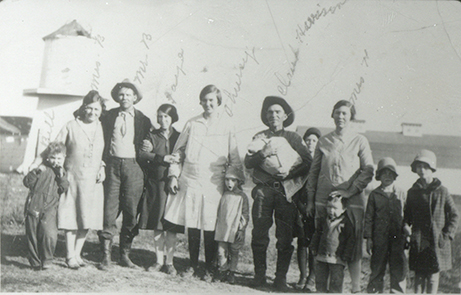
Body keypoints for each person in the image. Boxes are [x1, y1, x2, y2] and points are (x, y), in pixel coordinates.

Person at [164, 84, 243, 281]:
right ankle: (191, 265)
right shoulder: (192, 123)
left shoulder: (227, 125)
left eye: (212, 101)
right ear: (200, 101)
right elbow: (178, 151)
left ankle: (209, 267)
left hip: (214, 182)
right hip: (190, 179)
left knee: (209, 225)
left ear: (218, 103)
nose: (208, 104)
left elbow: (234, 158)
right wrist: (173, 175)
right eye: (205, 100)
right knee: (192, 224)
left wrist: (232, 184)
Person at [305, 100, 374, 293]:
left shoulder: (360, 141)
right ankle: (323, 287)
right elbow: (313, 172)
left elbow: (368, 171)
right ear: (332, 115)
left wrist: (349, 191)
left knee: (352, 244)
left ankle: (354, 287)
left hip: (352, 202)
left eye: (345, 113)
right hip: (324, 200)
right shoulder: (323, 141)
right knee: (324, 241)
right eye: (337, 113)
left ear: (351, 116)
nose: (340, 117)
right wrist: (311, 200)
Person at [244, 96, 311, 291]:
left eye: (277, 112)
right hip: (264, 191)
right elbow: (248, 163)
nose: (273, 115)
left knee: (285, 236)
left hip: (285, 192)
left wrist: (288, 173)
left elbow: (308, 162)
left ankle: (280, 278)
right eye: (269, 112)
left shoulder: (293, 138)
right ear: (265, 116)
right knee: (259, 233)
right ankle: (259, 275)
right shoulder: (259, 137)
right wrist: (263, 153)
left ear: (285, 116)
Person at [98, 79, 152, 270]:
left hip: (133, 167)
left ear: (135, 98)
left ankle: (124, 255)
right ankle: (105, 256)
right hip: (112, 165)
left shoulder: (143, 120)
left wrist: (150, 145)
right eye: (121, 94)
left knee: (131, 211)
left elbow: (150, 140)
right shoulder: (108, 116)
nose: (124, 98)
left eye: (128, 94)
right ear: (117, 97)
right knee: (109, 210)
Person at [55, 90, 106, 269]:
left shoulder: (101, 127)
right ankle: (69, 255)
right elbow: (56, 147)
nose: (92, 112)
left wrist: (102, 166)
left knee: (87, 218)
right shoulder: (71, 125)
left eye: (96, 109)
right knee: (71, 218)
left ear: (101, 110)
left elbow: (103, 153)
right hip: (73, 177)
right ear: (83, 108)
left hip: (93, 181)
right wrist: (59, 168)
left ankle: (78, 254)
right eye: (89, 108)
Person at [404, 149, 459, 293]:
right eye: (419, 166)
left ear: (432, 168)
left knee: (433, 277)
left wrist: (446, 236)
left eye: (425, 166)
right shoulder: (412, 192)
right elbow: (407, 217)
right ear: (415, 169)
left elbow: (454, 215)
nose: (422, 170)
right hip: (419, 241)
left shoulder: (442, 191)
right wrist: (406, 228)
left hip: (436, 241)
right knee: (419, 277)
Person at [138, 104, 181, 275]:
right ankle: (158, 260)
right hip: (156, 184)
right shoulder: (152, 135)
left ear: (173, 118)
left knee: (170, 225)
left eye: (166, 117)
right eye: (160, 116)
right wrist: (163, 158)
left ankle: (169, 263)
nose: (163, 120)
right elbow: (142, 155)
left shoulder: (179, 136)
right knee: (157, 223)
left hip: (173, 184)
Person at [364, 157, 408, 293]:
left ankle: (397, 292)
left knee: (398, 270)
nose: (387, 176)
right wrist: (369, 239)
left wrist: (407, 233)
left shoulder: (401, 193)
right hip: (379, 239)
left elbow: (407, 215)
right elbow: (369, 218)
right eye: (384, 173)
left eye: (390, 173)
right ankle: (375, 291)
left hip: (398, 239)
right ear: (379, 176)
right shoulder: (374, 195)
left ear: (395, 176)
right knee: (377, 269)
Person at [23, 142, 69, 270]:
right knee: (32, 234)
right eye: (53, 158)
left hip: (50, 208)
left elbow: (64, 188)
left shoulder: (61, 172)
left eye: (59, 158)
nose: (55, 161)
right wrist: (35, 172)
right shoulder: (41, 168)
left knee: (49, 233)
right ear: (47, 157)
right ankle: (35, 261)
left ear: (64, 158)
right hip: (34, 205)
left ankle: (47, 259)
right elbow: (27, 183)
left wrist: (61, 176)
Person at [293, 127, 321, 291]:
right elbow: (293, 184)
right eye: (308, 140)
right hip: (300, 205)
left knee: (313, 242)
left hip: (315, 206)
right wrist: (300, 205)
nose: (310, 143)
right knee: (302, 241)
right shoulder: (299, 160)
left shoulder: (321, 160)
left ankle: (312, 277)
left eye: (314, 141)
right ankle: (302, 276)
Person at [310, 195, 355, 293]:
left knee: (336, 281)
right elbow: (317, 234)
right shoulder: (323, 220)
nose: (331, 210)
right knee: (320, 280)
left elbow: (350, 240)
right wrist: (314, 246)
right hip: (322, 255)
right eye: (329, 207)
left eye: (335, 208)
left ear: (344, 209)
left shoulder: (345, 223)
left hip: (337, 259)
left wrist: (346, 255)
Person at [214, 165, 249, 284]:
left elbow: (245, 214)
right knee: (221, 250)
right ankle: (223, 271)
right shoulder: (222, 194)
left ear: (239, 182)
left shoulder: (242, 196)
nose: (230, 183)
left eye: (233, 180)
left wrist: (241, 229)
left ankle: (232, 273)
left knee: (234, 251)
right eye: (227, 180)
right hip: (223, 228)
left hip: (235, 229)